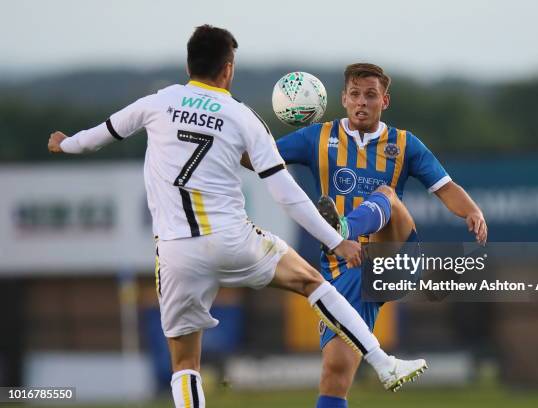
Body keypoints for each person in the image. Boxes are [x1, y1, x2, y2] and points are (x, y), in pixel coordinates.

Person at [47, 27, 427, 408]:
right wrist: (335, 240)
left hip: (177, 252)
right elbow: (286, 193)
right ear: (228, 70)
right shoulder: (242, 116)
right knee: (314, 285)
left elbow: (98, 135)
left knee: (184, 365)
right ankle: (383, 362)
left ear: (188, 64)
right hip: (234, 240)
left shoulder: (158, 102)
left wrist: (64, 144)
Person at [269, 63, 487, 408]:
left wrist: (471, 211)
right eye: (355, 94)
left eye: (371, 95)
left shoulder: (404, 144)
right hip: (344, 271)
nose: (362, 102)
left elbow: (445, 187)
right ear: (342, 99)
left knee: (387, 195)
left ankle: (342, 229)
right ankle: (342, 236)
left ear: (384, 101)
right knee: (335, 372)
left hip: (395, 257)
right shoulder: (316, 137)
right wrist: (239, 132)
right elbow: (259, 159)